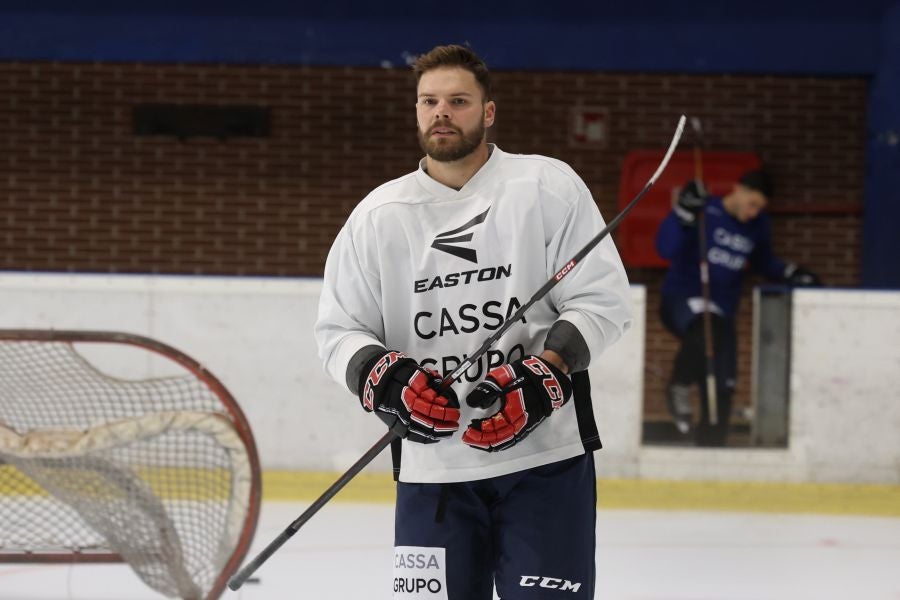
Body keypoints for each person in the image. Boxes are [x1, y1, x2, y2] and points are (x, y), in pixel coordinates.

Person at [315, 44, 633, 599]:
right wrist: (382, 377)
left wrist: (547, 374)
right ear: (416, 111)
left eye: (458, 101)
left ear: (488, 112)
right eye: (429, 101)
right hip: (431, 475)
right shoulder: (377, 218)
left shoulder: (545, 187)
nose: (442, 111)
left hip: (545, 466)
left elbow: (602, 300)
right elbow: (339, 332)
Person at [655, 169, 821, 446]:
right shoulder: (705, 210)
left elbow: (762, 262)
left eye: (761, 207)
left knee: (723, 381)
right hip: (681, 299)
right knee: (707, 327)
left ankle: (710, 450)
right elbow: (665, 247)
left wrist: (790, 271)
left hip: (722, 310)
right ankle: (679, 386)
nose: (755, 212)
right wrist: (683, 213)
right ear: (738, 190)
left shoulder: (759, 225)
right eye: (752, 204)